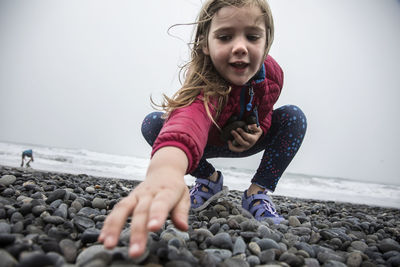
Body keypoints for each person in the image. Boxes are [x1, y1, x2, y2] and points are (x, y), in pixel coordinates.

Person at [99, 0, 307, 258]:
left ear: (267, 43)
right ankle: (209, 181)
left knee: (294, 117)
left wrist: (258, 132)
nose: (240, 47)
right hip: (203, 143)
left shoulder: (273, 74)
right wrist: (167, 170)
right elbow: (187, 122)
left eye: (252, 37)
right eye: (225, 36)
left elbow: (265, 109)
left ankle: (257, 193)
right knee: (154, 123)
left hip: (247, 141)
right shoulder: (205, 82)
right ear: (205, 44)